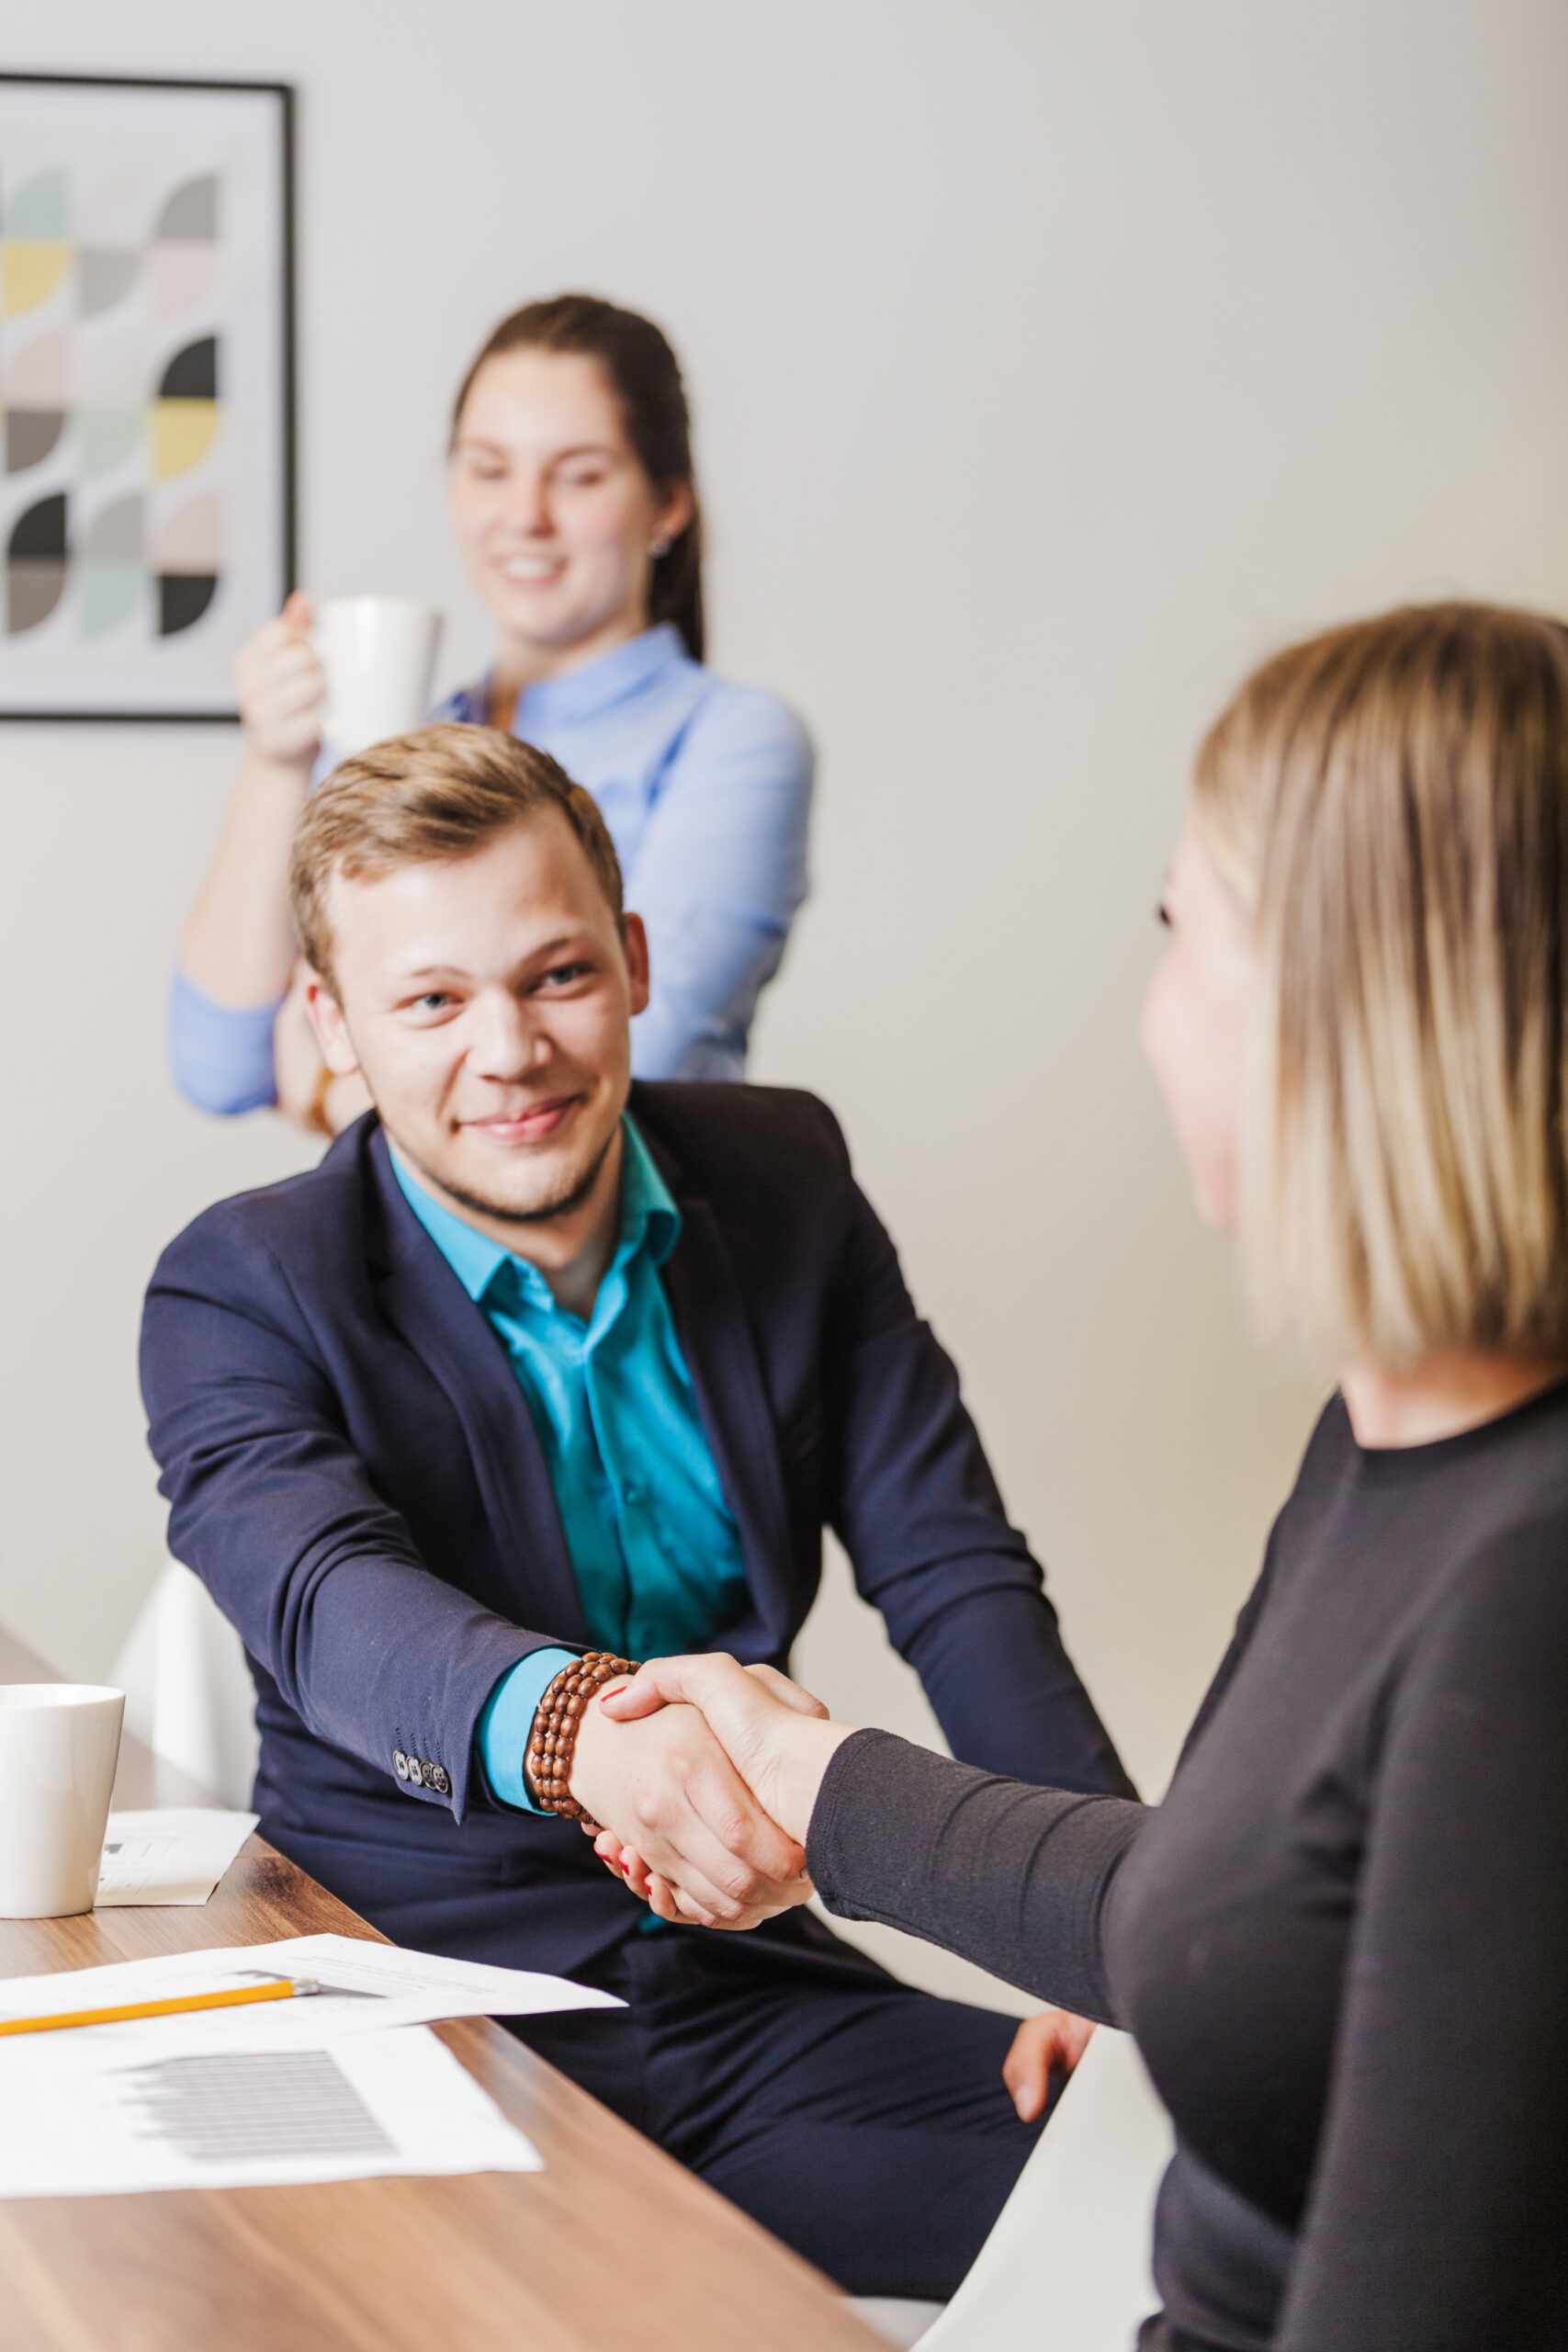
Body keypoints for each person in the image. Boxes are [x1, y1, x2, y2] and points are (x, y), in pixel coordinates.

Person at [590, 604, 1568, 2349]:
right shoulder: (1385, 1445)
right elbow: (1229, 1900)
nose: (1150, 1013)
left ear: (1357, 1010)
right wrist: (814, 1783)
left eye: (1182, 934)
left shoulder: (1528, 1586)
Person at [140, 722, 1134, 2301]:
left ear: (635, 955)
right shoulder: (243, 1284)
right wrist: (582, 1729)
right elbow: (329, 1600)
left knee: (1189, 2202)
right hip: (418, 1997)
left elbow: (953, 1574)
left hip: (746, 1996)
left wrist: (1099, 1926)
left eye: (554, 977)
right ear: (329, 1020)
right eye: (431, 1001)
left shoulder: (787, 1175)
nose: (509, 1052)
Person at [171, 293, 812, 1133]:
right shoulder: (396, 749)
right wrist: (277, 763)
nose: (524, 516)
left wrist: (330, 1095)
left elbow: (614, 1068)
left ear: (666, 504)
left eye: (578, 474)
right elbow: (220, 1065)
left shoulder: (733, 743)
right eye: (488, 468)